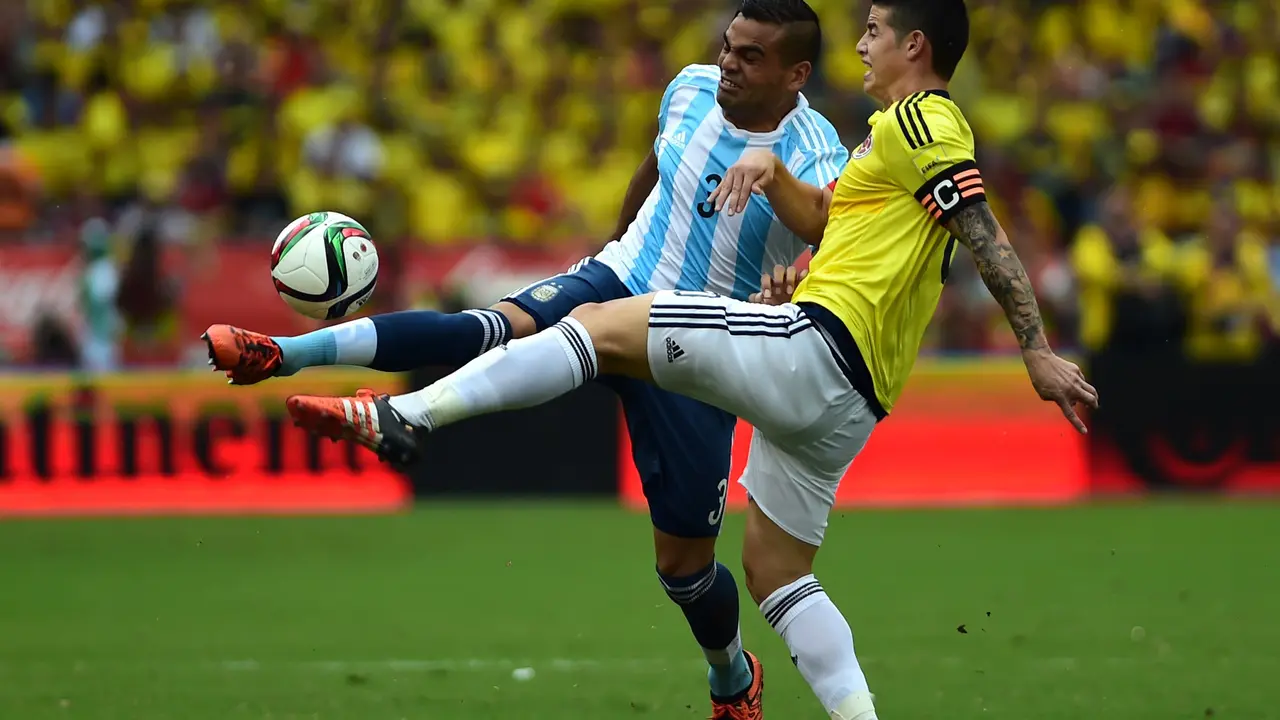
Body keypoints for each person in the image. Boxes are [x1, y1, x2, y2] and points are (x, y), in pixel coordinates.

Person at [283, 2, 1101, 718]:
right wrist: (768, 168)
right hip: (853, 403)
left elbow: (980, 228)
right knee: (777, 574)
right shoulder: (878, 141)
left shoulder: (924, 122)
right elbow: (827, 218)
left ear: (915, 45)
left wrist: (1034, 346)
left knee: (601, 323)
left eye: (877, 29)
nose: (864, 41)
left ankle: (402, 412)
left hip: (815, 347)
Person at [205, 1, 845, 717]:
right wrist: (615, 245)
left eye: (751, 56)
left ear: (796, 73)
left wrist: (796, 275)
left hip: (701, 347)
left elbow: (833, 233)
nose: (728, 62)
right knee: (490, 325)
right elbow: (658, 164)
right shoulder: (690, 87)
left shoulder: (816, 151)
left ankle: (732, 675)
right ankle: (286, 354)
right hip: (621, 279)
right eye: (729, 46)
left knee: (685, 571)